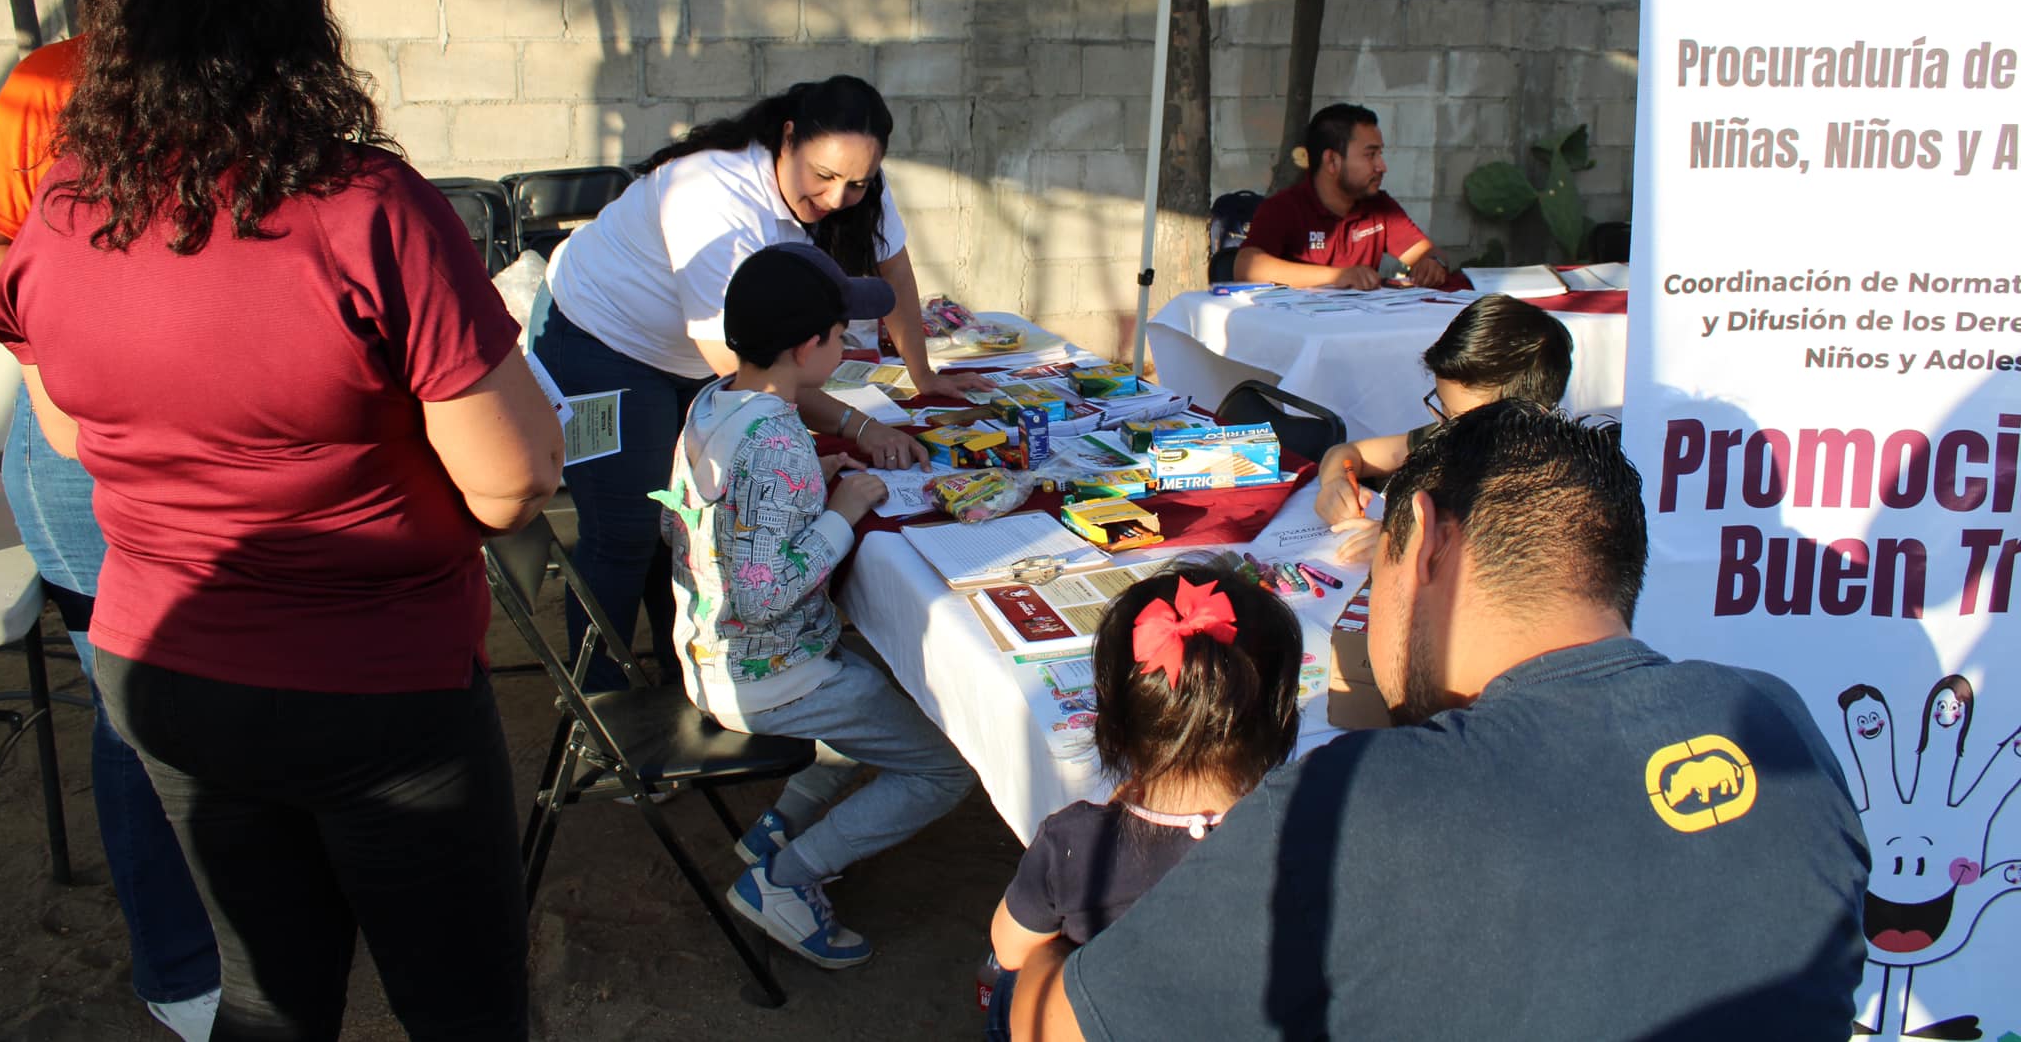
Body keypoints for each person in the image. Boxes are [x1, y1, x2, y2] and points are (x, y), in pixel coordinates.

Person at [0, 0, 564, 1041]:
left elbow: (68, 431)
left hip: (167, 670)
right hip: (374, 691)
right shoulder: (369, 209)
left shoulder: (61, 210)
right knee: (463, 1008)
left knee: (265, 995)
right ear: (302, 6)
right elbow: (510, 481)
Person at [1010, 403, 1871, 1041]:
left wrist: (1044, 955)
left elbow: (1059, 1030)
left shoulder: (1356, 806)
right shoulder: (1779, 721)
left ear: (1420, 538)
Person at [0, 0, 225, 1042]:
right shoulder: (44, 91)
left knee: (245, 691)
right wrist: (37, 349)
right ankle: (180, 965)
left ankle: (267, 913)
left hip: (225, 453)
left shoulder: (252, 87)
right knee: (135, 716)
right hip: (78, 461)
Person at [532, 74, 990, 690]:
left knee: (679, 521)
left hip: (694, 357)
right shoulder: (712, 191)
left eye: (856, 182)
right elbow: (746, 374)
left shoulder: (855, 182)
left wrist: (923, 373)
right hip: (599, 342)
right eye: (823, 177)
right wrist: (856, 424)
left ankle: (684, 677)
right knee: (623, 530)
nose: (836, 197)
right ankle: (599, 702)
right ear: (788, 137)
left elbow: (893, 270)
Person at [654, 241, 976, 970]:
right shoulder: (775, 440)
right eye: (841, 335)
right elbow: (762, 595)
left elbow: (721, 519)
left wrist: (815, 485)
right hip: (772, 673)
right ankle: (785, 880)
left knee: (887, 680)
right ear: (808, 346)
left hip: (714, 648)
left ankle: (778, 826)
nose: (849, 344)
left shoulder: (720, 400)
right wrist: (840, 511)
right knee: (942, 770)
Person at [984, 569, 1302, 1040]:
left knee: (1008, 983)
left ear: (1113, 726)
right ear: (1281, 720)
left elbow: (1009, 949)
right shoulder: (1303, 836)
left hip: (1102, 1024)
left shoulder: (1075, 843)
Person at [1315, 293, 1572, 523]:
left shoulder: (1548, 492)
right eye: (1442, 406)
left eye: (1460, 419)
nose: (1446, 428)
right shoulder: (1447, 436)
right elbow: (1348, 452)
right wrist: (1335, 482)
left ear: (1529, 417)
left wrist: (1406, 549)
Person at [1234, 102, 1450, 289]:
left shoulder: (1380, 206)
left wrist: (1433, 263)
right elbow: (1246, 267)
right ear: (1332, 161)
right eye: (1370, 155)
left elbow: (1426, 251)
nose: (1381, 166)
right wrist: (1338, 276)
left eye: (1380, 154)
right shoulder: (1284, 208)